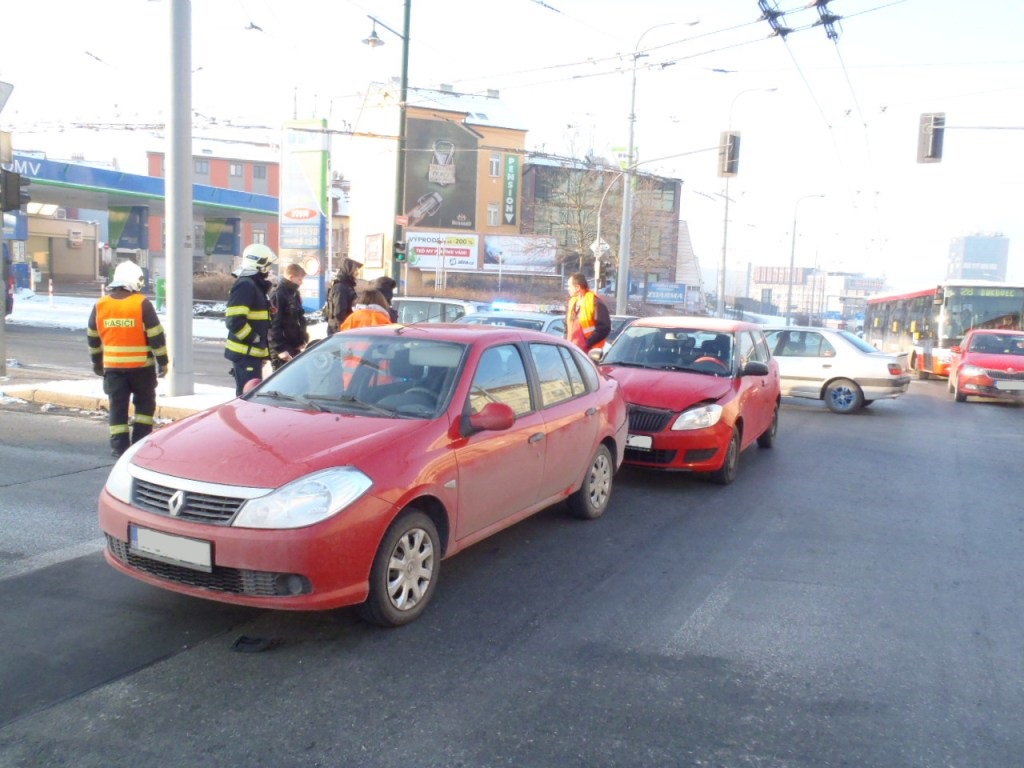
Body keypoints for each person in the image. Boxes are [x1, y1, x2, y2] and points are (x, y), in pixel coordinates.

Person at [87, 260, 169, 457]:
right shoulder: (141, 304)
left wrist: (97, 363)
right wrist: (163, 362)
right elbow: (156, 336)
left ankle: (119, 448)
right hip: (142, 369)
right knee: (144, 408)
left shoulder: (101, 305)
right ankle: (139, 446)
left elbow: (92, 337)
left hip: (113, 369)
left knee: (117, 409)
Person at [224, 243, 277, 395]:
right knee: (247, 398)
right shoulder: (246, 285)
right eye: (268, 264)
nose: (270, 268)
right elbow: (234, 320)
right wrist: (254, 339)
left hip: (251, 354)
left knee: (249, 396)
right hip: (246, 354)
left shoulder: (254, 285)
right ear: (260, 264)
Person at [268, 262, 309, 371]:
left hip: (293, 347)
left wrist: (302, 339)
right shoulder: (278, 294)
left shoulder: (294, 293)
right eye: (299, 279)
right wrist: (280, 349)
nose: (301, 283)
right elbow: (273, 325)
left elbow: (298, 319)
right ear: (291, 277)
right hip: (283, 351)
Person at [565, 272, 611, 353]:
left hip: (590, 352)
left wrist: (587, 343)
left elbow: (604, 328)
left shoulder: (595, 302)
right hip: (572, 350)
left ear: (577, 287)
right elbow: (567, 326)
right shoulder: (572, 302)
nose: (568, 288)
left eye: (569, 286)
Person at [325, 258, 363, 335]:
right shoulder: (341, 287)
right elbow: (339, 312)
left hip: (340, 327)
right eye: (355, 270)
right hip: (339, 329)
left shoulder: (346, 285)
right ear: (348, 270)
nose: (357, 273)